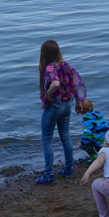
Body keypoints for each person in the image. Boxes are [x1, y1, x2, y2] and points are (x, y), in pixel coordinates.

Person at [36, 40, 87, 184]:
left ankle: (49, 175)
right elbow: (75, 84)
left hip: (53, 107)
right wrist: (78, 102)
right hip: (66, 106)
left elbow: (56, 83)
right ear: (58, 51)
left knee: (47, 139)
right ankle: (69, 169)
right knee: (65, 136)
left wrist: (48, 95)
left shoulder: (49, 68)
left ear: (44, 54)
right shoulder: (65, 65)